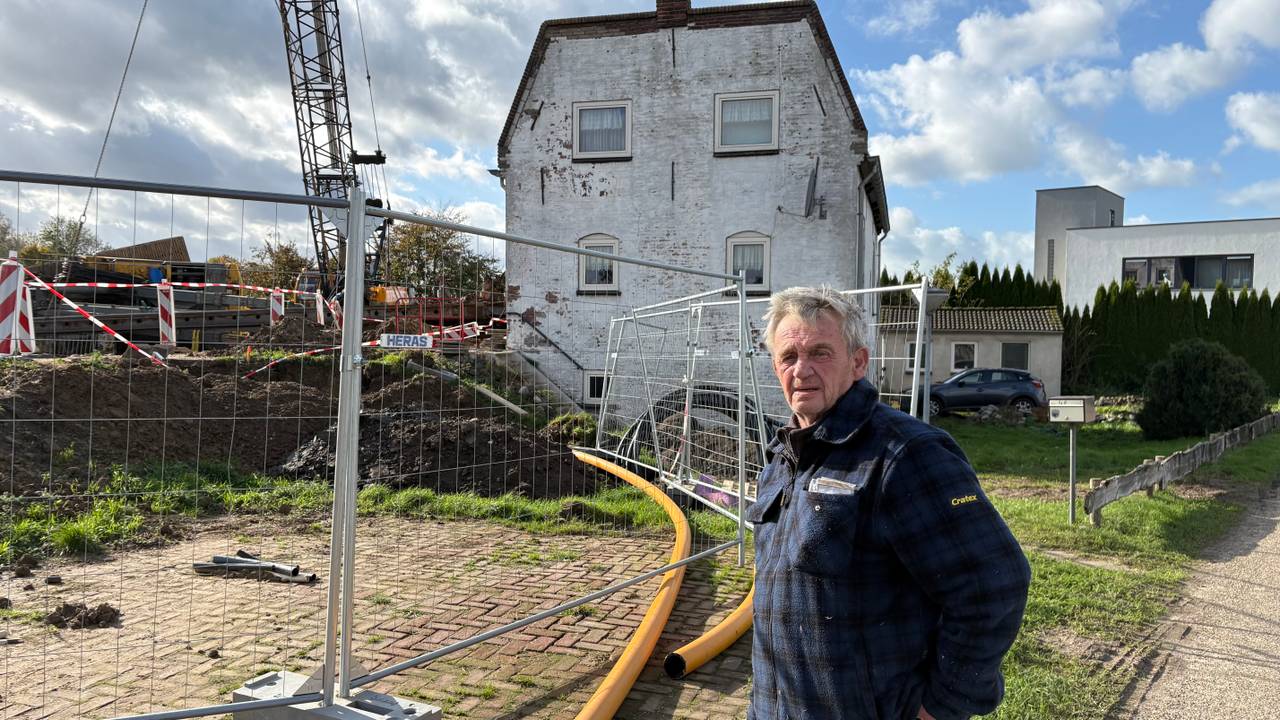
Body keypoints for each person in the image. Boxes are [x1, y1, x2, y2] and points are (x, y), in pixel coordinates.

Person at [747, 286, 1031, 720]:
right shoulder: (782, 457)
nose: (801, 370)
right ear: (775, 367)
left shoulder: (904, 453)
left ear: (858, 362)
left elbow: (994, 585)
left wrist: (940, 707)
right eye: (789, 357)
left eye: (820, 353)